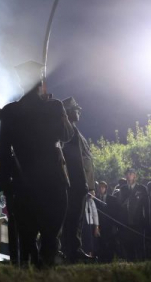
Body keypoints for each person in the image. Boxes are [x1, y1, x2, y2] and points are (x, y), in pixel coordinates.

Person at [0, 61, 73, 268]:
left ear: (20, 82)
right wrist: (59, 112)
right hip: (53, 181)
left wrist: (5, 186)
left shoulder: (9, 111)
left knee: (27, 239)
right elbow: (67, 134)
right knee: (50, 237)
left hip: (23, 183)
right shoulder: (54, 106)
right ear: (41, 82)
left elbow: (3, 152)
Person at [60, 96, 95, 262]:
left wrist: (90, 185)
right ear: (67, 113)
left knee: (77, 218)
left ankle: (74, 249)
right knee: (73, 218)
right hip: (74, 183)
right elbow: (73, 161)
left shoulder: (75, 131)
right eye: (76, 109)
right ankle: (72, 251)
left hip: (81, 184)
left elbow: (86, 160)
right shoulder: (69, 131)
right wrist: (81, 184)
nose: (79, 111)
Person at [114, 168, 148, 261]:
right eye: (127, 174)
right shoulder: (123, 189)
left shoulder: (142, 189)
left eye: (130, 174)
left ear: (135, 176)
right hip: (125, 224)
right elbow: (118, 206)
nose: (128, 176)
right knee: (127, 247)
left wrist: (147, 223)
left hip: (139, 224)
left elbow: (146, 207)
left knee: (139, 247)